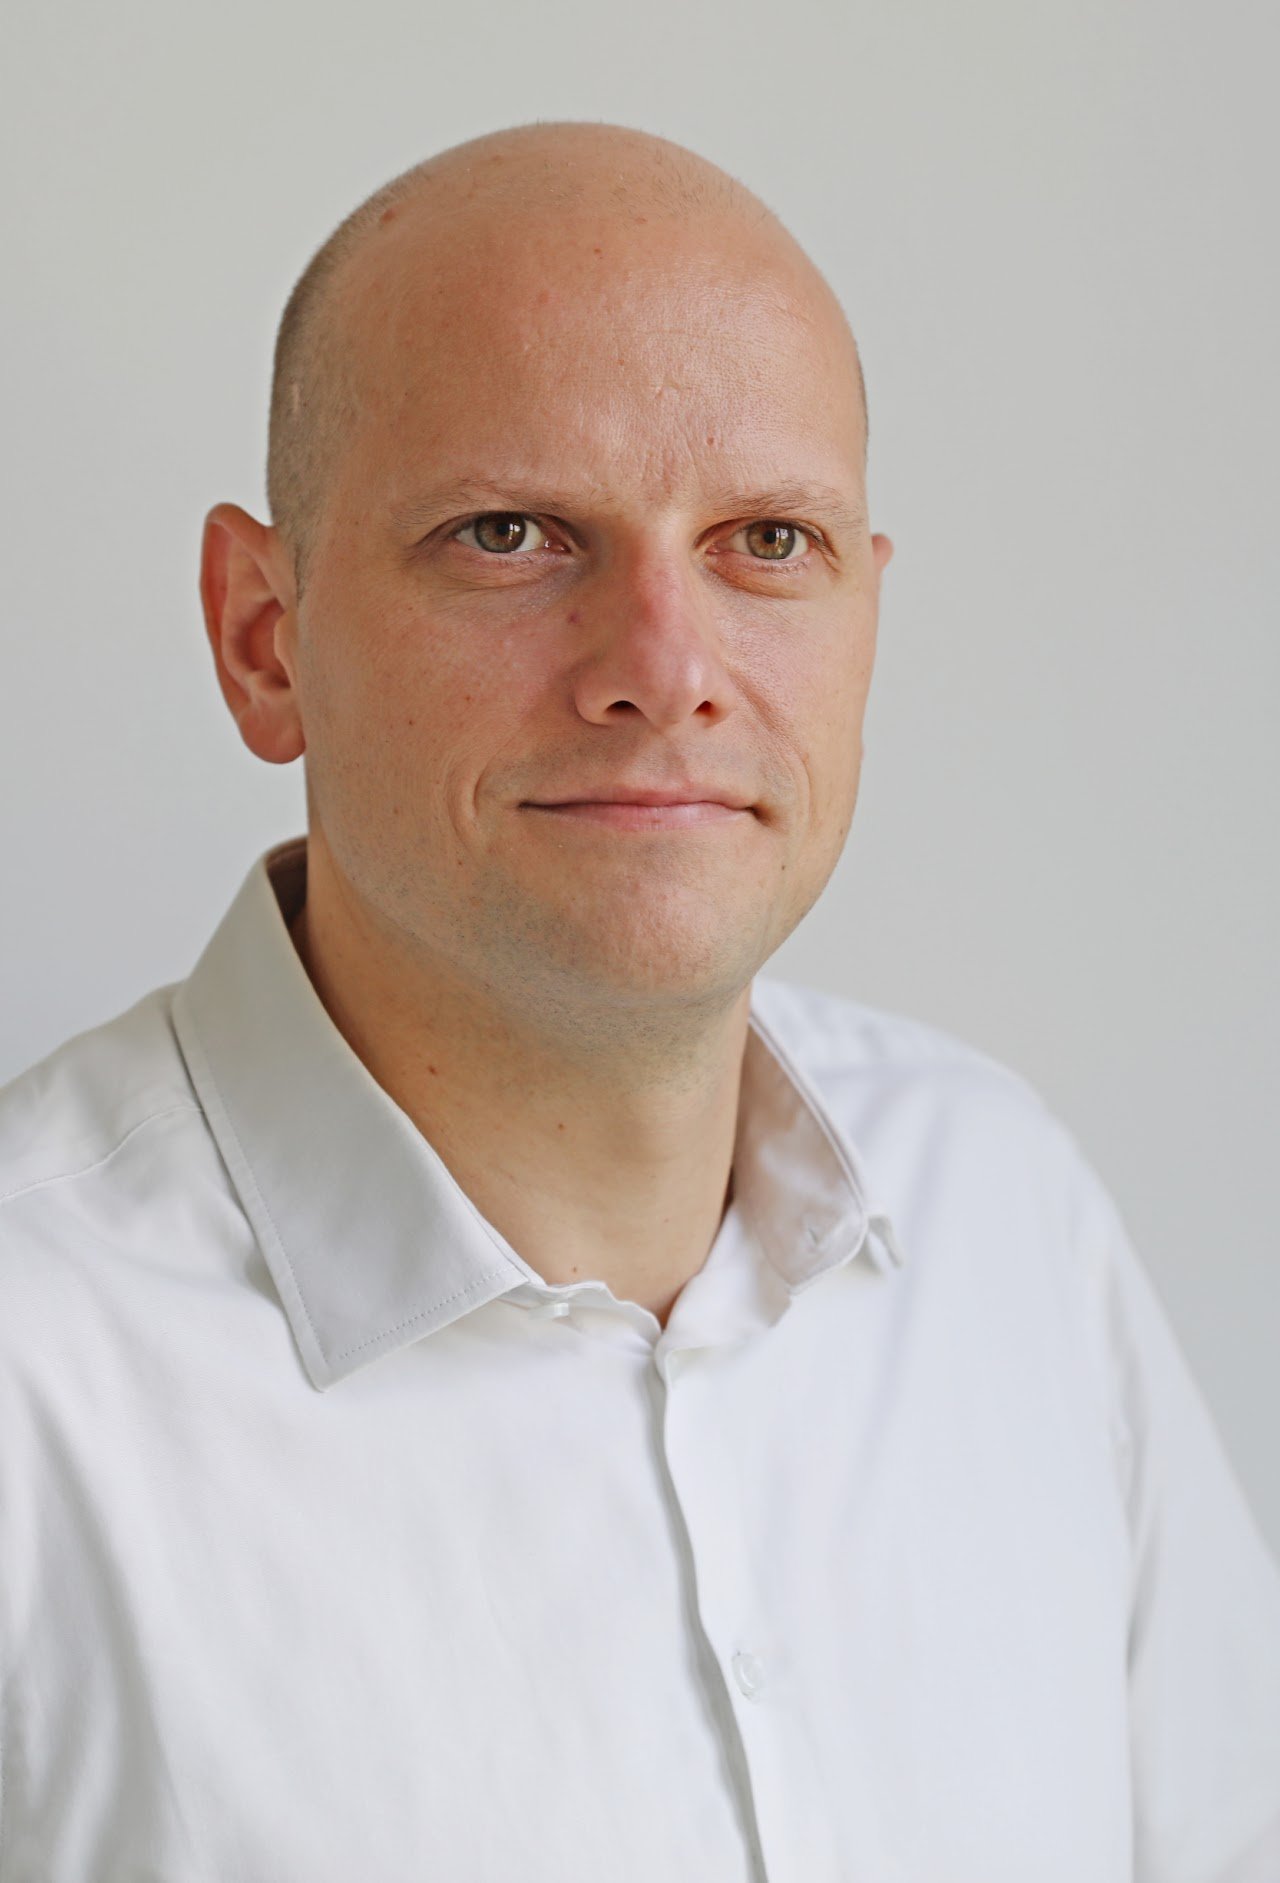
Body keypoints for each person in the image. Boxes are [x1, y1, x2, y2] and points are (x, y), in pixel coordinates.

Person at [0, 120, 1276, 1883]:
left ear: (867, 621)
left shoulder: (1009, 1219)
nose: (664, 672)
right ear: (262, 636)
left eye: (766, 540)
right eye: (511, 534)